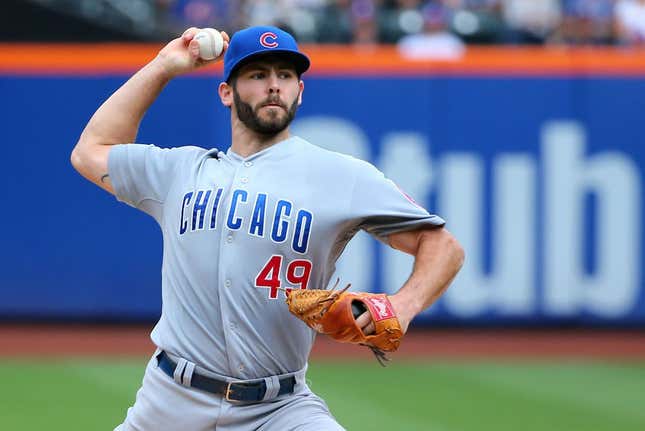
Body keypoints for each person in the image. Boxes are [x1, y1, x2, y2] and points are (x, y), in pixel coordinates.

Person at [70, 25, 464, 431]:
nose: (273, 86)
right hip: (170, 402)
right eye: (258, 75)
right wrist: (164, 67)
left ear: (300, 90)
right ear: (227, 92)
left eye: (285, 75)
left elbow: (442, 246)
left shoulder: (341, 175)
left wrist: (403, 305)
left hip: (279, 409)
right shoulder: (181, 172)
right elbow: (90, 152)